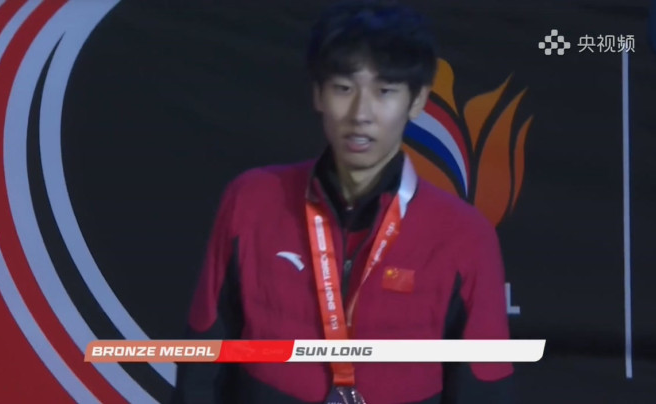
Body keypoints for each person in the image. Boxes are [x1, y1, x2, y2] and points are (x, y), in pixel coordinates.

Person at [171, 1, 513, 403]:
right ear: (318, 94)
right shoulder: (251, 199)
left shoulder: (465, 234)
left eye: (385, 91)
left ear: (418, 100)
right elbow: (203, 361)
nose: (360, 113)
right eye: (343, 88)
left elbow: (483, 385)